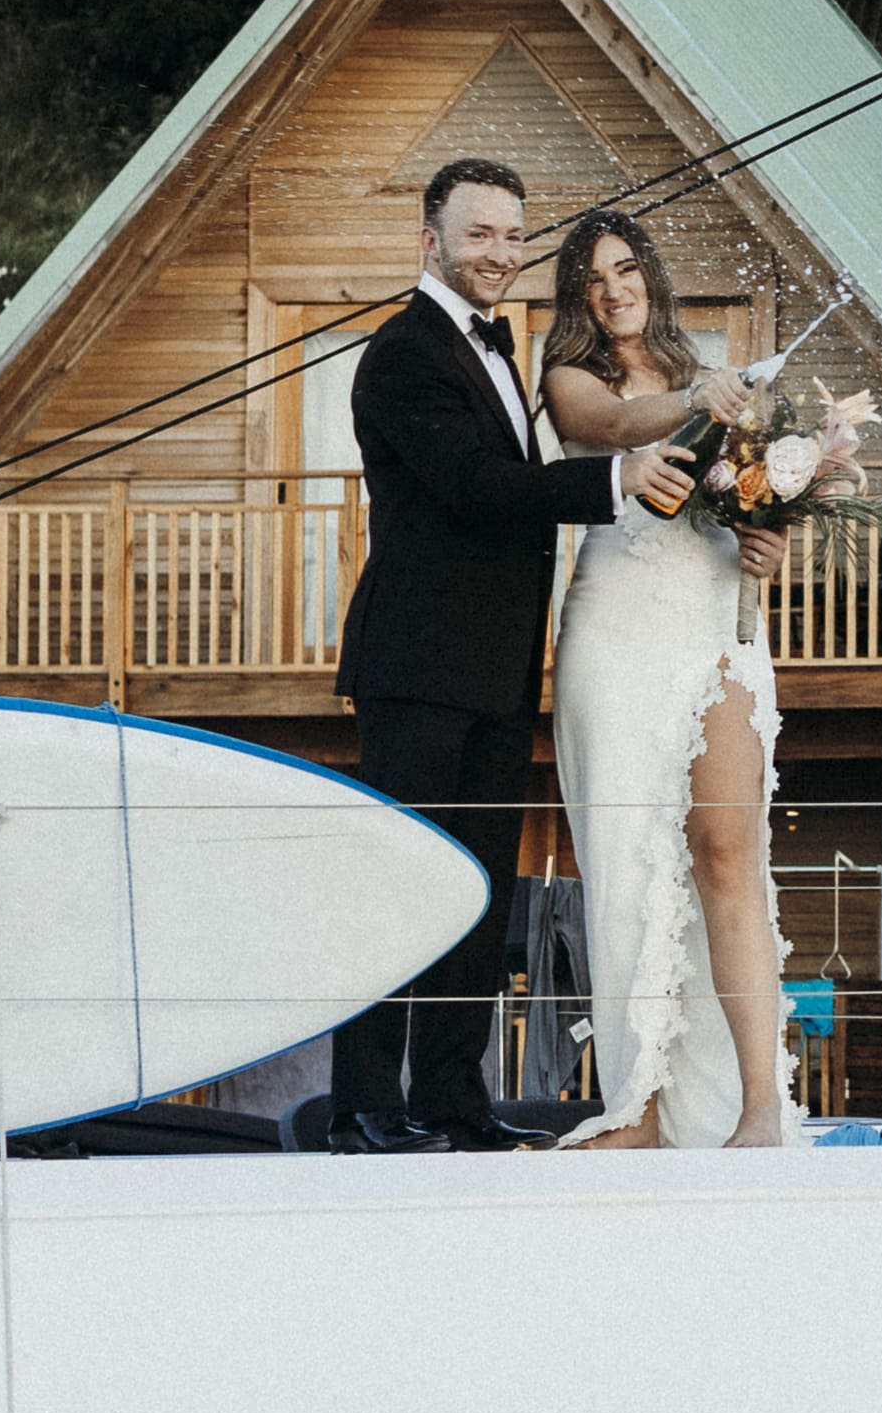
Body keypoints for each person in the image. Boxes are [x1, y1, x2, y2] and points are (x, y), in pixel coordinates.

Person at [325, 156, 731, 1150]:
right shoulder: (402, 352)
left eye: (512, 237)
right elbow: (469, 487)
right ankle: (365, 1105)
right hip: (419, 664)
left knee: (479, 889)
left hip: (499, 669)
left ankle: (453, 1102)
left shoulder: (498, 351)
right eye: (478, 235)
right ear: (431, 242)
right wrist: (611, 482)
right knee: (402, 882)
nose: (499, 254)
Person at [536, 209, 808, 1147]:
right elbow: (613, 426)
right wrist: (704, 393)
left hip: (714, 624)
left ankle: (759, 1108)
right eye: (590, 279)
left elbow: (746, 499)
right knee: (627, 865)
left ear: (648, 275)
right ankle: (639, 1109)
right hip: (615, 627)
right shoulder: (573, 378)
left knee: (728, 856)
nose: (612, 290)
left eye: (623, 270)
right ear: (576, 297)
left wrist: (764, 534)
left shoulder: (714, 379)